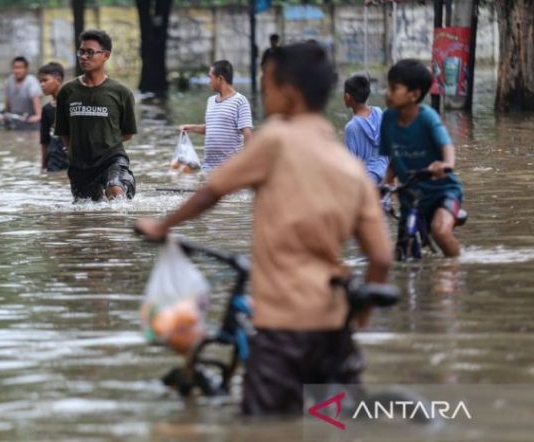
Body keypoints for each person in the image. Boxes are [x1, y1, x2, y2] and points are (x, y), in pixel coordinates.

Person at [136, 41, 392, 415]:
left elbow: (211, 192)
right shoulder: (348, 166)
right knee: (337, 418)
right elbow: (381, 258)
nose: (261, 90)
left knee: (264, 425)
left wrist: (162, 225)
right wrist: (360, 317)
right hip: (336, 323)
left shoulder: (276, 140)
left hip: (283, 324)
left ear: (288, 92)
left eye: (266, 84)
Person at [380, 59, 464, 257]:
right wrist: (385, 185)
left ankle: (454, 271)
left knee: (440, 231)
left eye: (394, 88)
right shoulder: (387, 119)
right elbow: (394, 157)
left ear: (414, 95)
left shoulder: (428, 117)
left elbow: (447, 146)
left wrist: (445, 165)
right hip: (410, 196)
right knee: (402, 251)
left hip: (443, 192)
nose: (387, 92)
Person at [54, 29, 137, 201]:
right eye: (81, 52)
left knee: (116, 192)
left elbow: (127, 133)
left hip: (111, 158)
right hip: (80, 165)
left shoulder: (121, 93)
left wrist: (103, 141)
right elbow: (63, 131)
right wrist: (73, 150)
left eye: (90, 52)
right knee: (85, 213)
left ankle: (120, 225)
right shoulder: (67, 92)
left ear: (106, 55)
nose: (84, 57)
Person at [179, 60, 253, 171]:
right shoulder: (211, 101)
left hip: (231, 169)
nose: (209, 81)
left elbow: (247, 134)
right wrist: (190, 128)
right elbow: (211, 128)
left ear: (220, 79)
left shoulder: (240, 101)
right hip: (208, 168)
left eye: (210, 77)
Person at [343, 75, 388, 184]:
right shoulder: (379, 113)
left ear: (347, 97)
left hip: (365, 185)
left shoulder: (351, 127)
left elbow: (350, 164)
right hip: (384, 178)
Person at [38, 62, 69, 172]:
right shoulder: (47, 109)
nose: (42, 84)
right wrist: (43, 166)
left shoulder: (72, 104)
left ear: (58, 80)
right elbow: (44, 140)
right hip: (54, 162)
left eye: (45, 80)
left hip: (71, 161)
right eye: (40, 81)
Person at [3, 56, 41, 130]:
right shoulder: (9, 81)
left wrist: (38, 115)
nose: (17, 71)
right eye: (15, 68)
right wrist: (5, 115)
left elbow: (36, 99)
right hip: (14, 117)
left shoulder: (31, 82)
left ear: (26, 69)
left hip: (29, 118)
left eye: (20, 68)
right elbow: (8, 101)